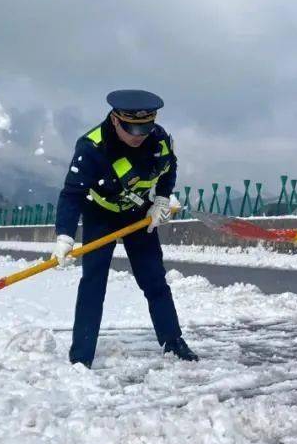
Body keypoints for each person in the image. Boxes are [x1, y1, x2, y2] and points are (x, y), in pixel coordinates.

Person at [54, 89, 197, 368]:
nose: (138, 135)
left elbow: (169, 168)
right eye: (132, 128)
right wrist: (64, 235)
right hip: (101, 214)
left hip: (137, 214)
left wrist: (161, 200)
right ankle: (81, 356)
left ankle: (173, 341)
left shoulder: (158, 139)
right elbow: (71, 194)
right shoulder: (91, 147)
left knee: (155, 280)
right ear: (116, 120)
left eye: (145, 128)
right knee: (93, 284)